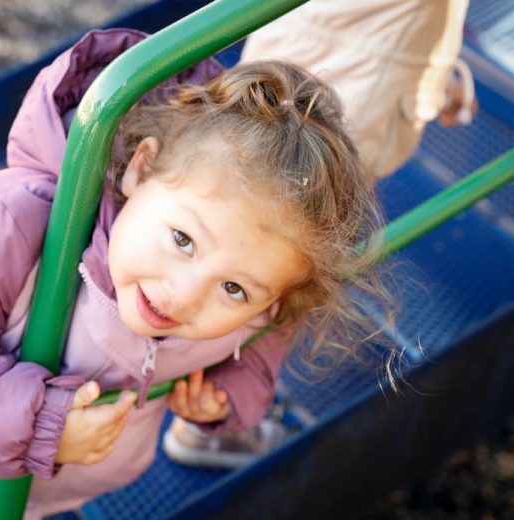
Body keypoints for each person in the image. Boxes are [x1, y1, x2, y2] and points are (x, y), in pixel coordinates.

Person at [0, 27, 391, 520]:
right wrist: (41, 428)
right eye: (182, 240)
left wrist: (225, 395)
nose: (184, 295)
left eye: (232, 288)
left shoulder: (266, 292)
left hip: (55, 483)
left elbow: (265, 340)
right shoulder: (16, 219)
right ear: (142, 169)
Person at [162, 0, 476, 469]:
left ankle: (210, 396)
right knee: (276, 270)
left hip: (288, 76)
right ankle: (215, 413)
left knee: (235, 251)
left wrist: (439, 79)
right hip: (344, 112)